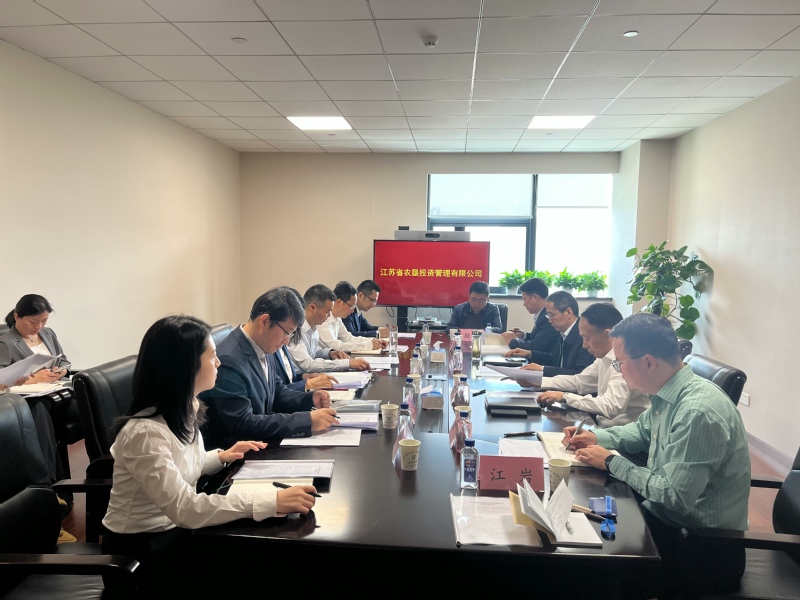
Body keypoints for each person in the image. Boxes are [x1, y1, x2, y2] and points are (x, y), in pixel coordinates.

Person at [102, 314, 317, 593]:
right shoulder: (144, 433)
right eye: (212, 356)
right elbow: (185, 508)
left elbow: (180, 465)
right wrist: (269, 501)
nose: (218, 363)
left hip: (174, 533)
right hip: (140, 554)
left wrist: (221, 456)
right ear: (185, 366)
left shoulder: (184, 407)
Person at [566, 313, 750, 598]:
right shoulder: (670, 392)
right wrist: (596, 437)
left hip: (700, 548)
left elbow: (674, 496)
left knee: (587, 565)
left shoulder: (697, 411)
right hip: (665, 520)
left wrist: (611, 461)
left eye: (620, 362)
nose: (619, 370)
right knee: (582, 516)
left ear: (648, 362)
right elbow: (640, 431)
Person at [199, 287, 338, 449]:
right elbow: (243, 424)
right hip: (235, 454)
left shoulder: (264, 345)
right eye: (287, 332)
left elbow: (277, 392)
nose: (287, 341)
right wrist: (307, 421)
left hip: (262, 443)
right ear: (264, 321)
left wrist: (309, 399)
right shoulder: (228, 361)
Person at [0, 294, 76, 542]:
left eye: (43, 321)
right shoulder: (6, 342)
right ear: (17, 316)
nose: (39, 327)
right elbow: (2, 377)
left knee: (89, 401)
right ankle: (49, 487)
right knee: (40, 410)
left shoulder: (48, 334)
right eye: (34, 322)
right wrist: (32, 379)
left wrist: (61, 370)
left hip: (55, 391)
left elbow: (65, 361)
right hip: (31, 398)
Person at [535, 303, 650, 427]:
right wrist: (537, 381)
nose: (584, 345)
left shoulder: (625, 362)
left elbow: (610, 407)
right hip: (602, 429)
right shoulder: (603, 359)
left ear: (608, 334)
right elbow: (579, 382)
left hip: (622, 434)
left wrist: (565, 397)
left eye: (587, 338)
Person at [286, 284, 371, 374]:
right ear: (312, 308)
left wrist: (329, 353)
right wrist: (347, 363)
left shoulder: (313, 327)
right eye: (327, 311)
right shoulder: (295, 329)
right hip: (299, 379)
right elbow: (308, 365)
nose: (329, 315)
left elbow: (312, 352)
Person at [508, 291, 593, 376]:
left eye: (552, 315)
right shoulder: (564, 332)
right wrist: (530, 353)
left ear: (568, 312)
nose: (549, 320)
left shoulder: (585, 336)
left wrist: (543, 369)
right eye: (548, 316)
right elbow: (555, 359)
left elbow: (580, 375)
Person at [500, 278, 560, 363]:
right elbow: (539, 338)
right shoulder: (542, 314)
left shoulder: (548, 318)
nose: (524, 304)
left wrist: (512, 341)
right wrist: (524, 335)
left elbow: (536, 347)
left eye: (525, 300)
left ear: (535, 297)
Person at [316, 281, 386, 352]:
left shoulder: (337, 318)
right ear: (339, 302)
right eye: (351, 306)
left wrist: (373, 341)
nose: (352, 311)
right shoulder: (322, 319)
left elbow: (348, 338)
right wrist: (368, 345)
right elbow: (336, 346)